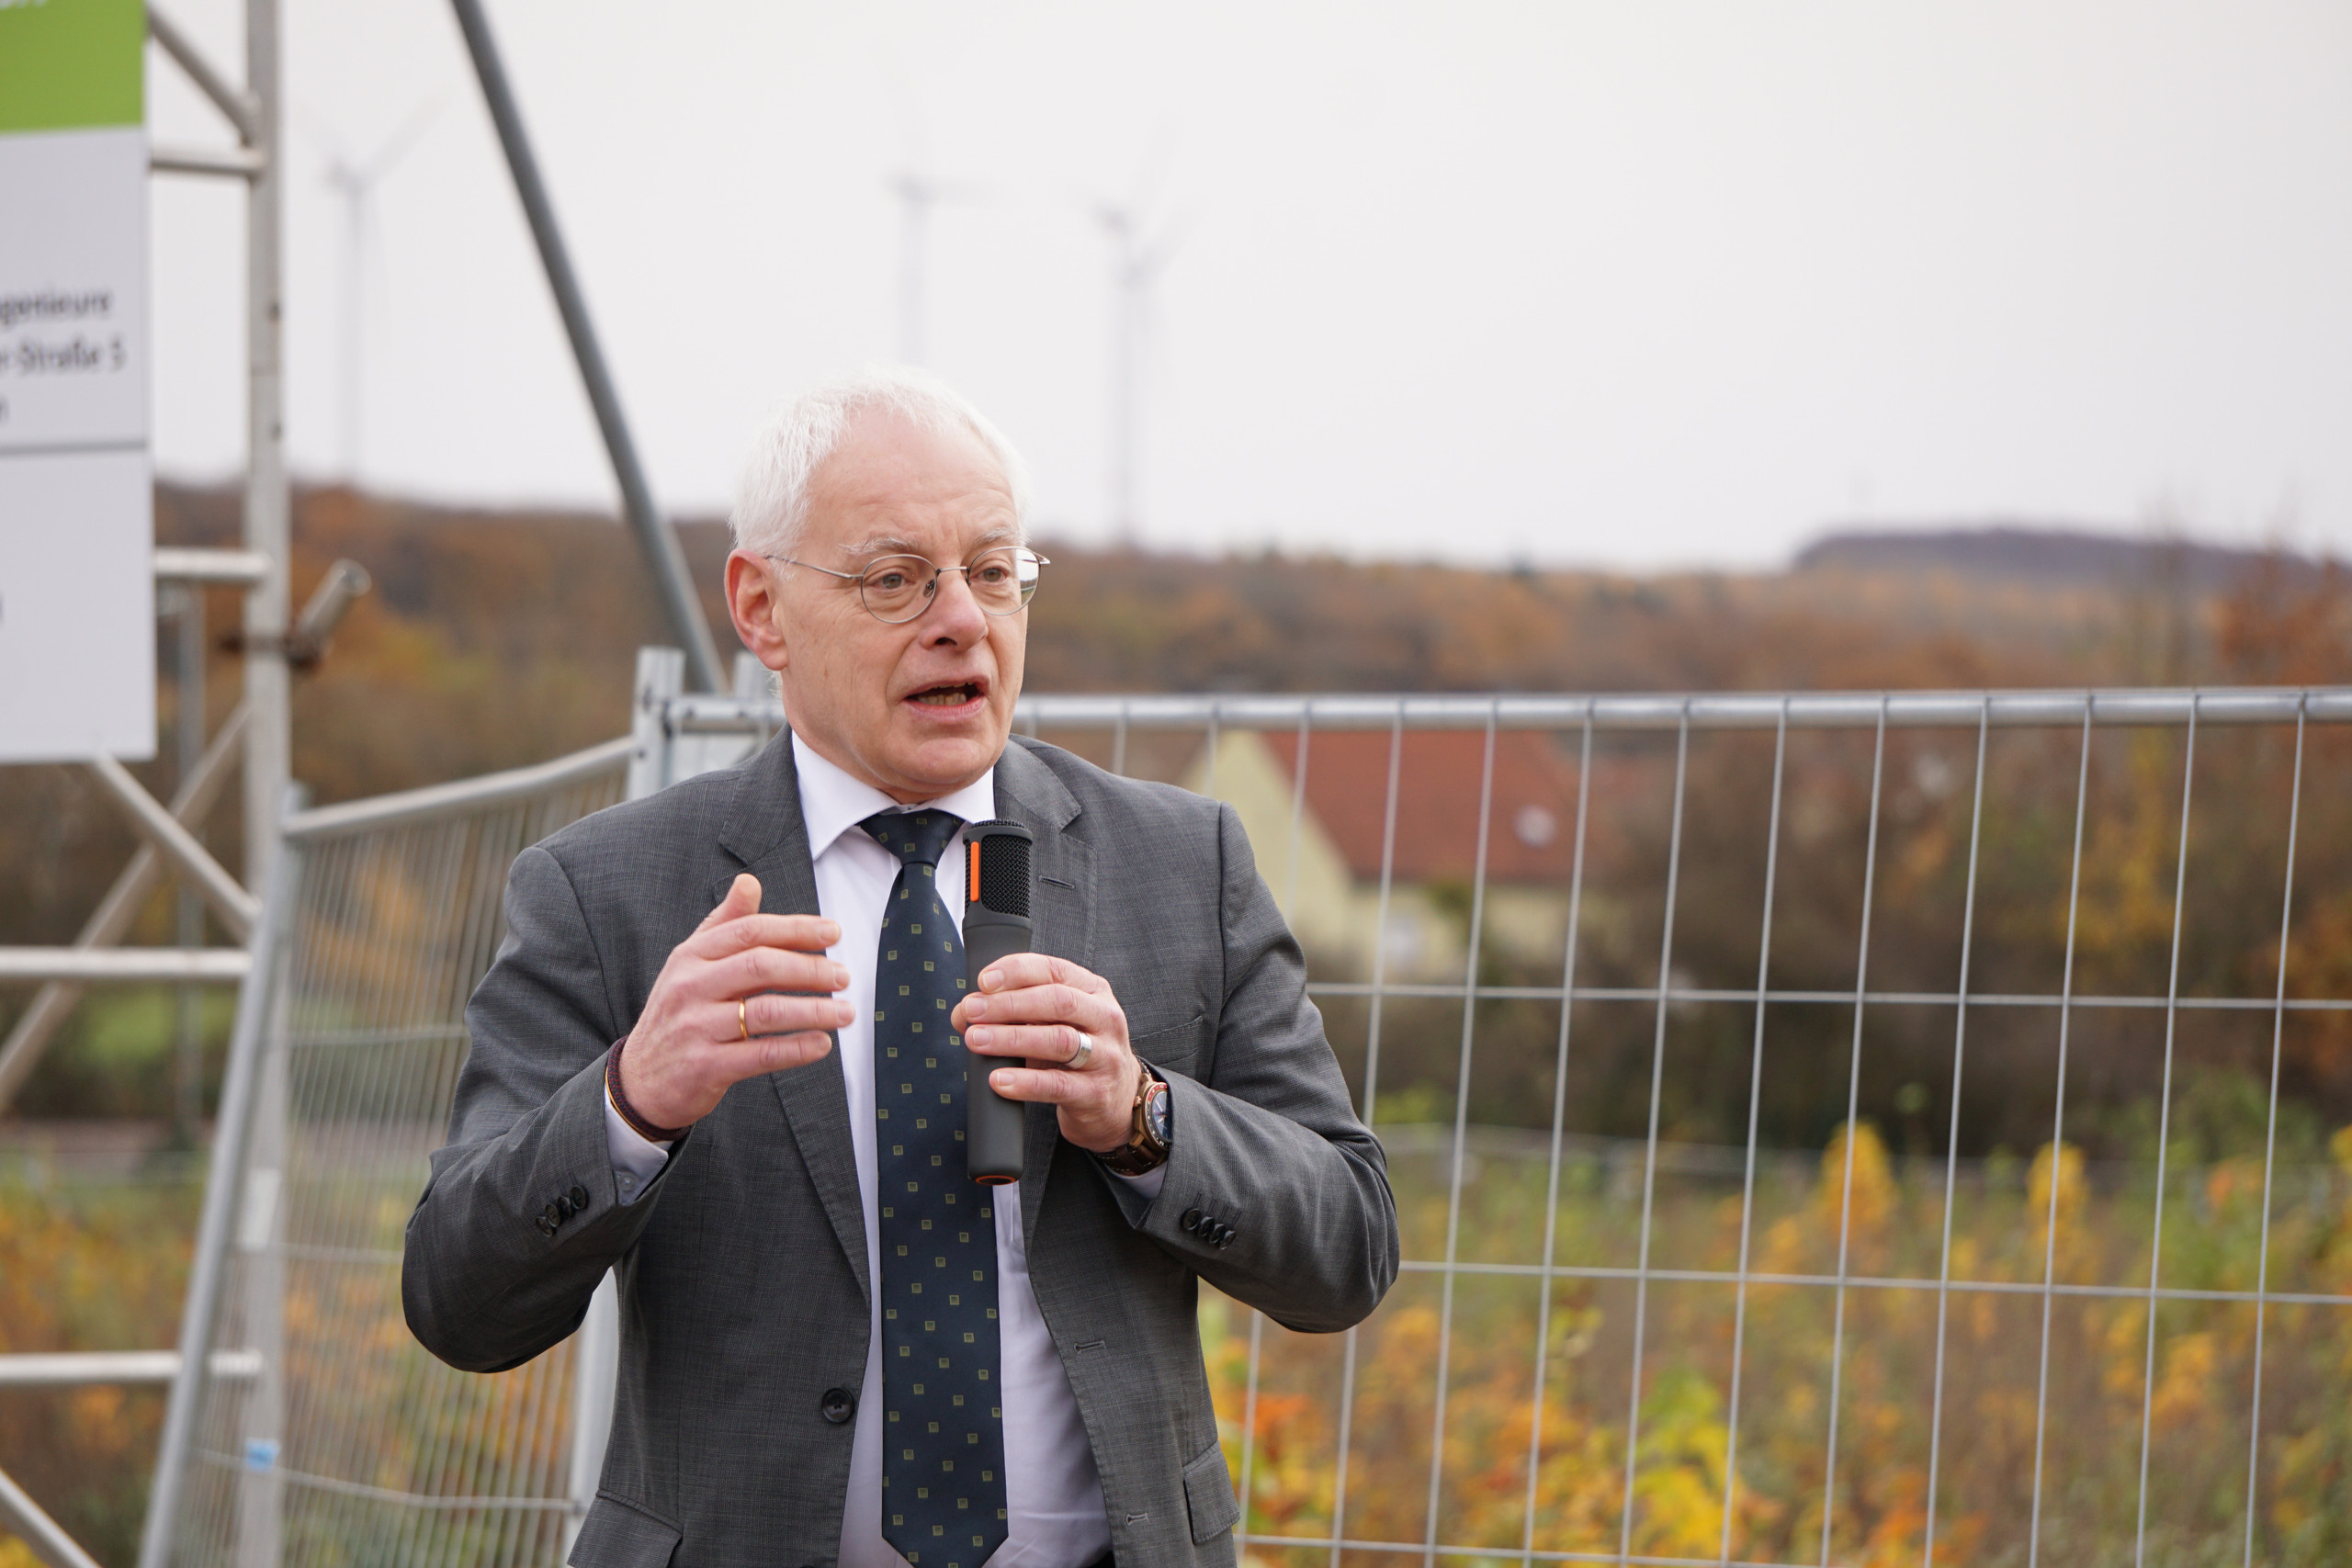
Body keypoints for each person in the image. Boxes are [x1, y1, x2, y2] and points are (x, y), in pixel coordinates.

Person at [401, 367, 1398, 1568]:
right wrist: (629, 1103)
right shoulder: (610, 891)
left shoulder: (1184, 865)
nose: (962, 621)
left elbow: (1348, 1249)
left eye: (992, 571)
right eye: (896, 580)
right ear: (761, 608)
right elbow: (458, 1301)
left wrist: (1145, 1118)